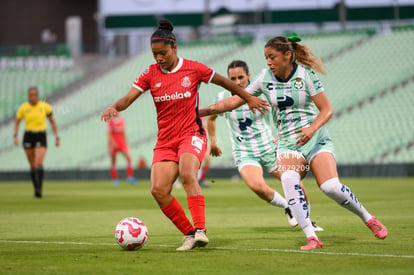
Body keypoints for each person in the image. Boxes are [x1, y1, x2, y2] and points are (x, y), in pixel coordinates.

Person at [199, 33, 387, 250]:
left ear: (288, 55)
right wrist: (198, 112)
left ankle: (368, 218)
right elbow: (231, 102)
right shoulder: (264, 78)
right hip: (288, 144)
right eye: (266, 57)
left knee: (329, 186)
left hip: (316, 139)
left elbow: (327, 110)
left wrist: (311, 129)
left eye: (272, 57)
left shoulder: (306, 76)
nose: (269, 62)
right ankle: (312, 237)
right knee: (289, 180)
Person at [100, 19, 267, 251]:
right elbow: (127, 99)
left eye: (163, 53)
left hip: (192, 133)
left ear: (174, 47)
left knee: (188, 173)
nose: (158, 58)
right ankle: (189, 233)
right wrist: (114, 107)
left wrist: (248, 98)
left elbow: (226, 82)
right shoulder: (150, 73)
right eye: (154, 53)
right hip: (166, 141)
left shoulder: (194, 69)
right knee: (158, 190)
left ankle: (200, 230)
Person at [207, 60, 324, 230]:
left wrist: (281, 135)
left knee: (295, 183)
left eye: (241, 77)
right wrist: (213, 142)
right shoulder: (222, 98)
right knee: (257, 187)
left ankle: (307, 221)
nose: (238, 82)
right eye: (233, 78)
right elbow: (210, 118)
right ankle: (288, 206)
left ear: (249, 76)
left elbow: (282, 112)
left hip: (270, 148)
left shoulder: (262, 93)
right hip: (244, 152)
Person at [14, 87, 59, 198]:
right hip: (28, 136)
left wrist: (57, 137)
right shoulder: (24, 108)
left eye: (35, 94)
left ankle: (39, 189)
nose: (33, 96)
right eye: (31, 94)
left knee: (39, 162)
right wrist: (15, 136)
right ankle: (36, 188)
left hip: (40, 135)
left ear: (38, 95)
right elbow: (17, 123)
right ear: (28, 96)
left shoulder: (44, 107)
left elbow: (52, 122)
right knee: (32, 165)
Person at [107, 115, 137, 186]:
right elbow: (109, 133)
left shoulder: (122, 120)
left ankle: (130, 177)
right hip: (113, 143)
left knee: (129, 158)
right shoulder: (110, 121)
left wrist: (126, 142)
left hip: (122, 142)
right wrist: (113, 143)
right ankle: (115, 179)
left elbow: (123, 132)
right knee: (113, 161)